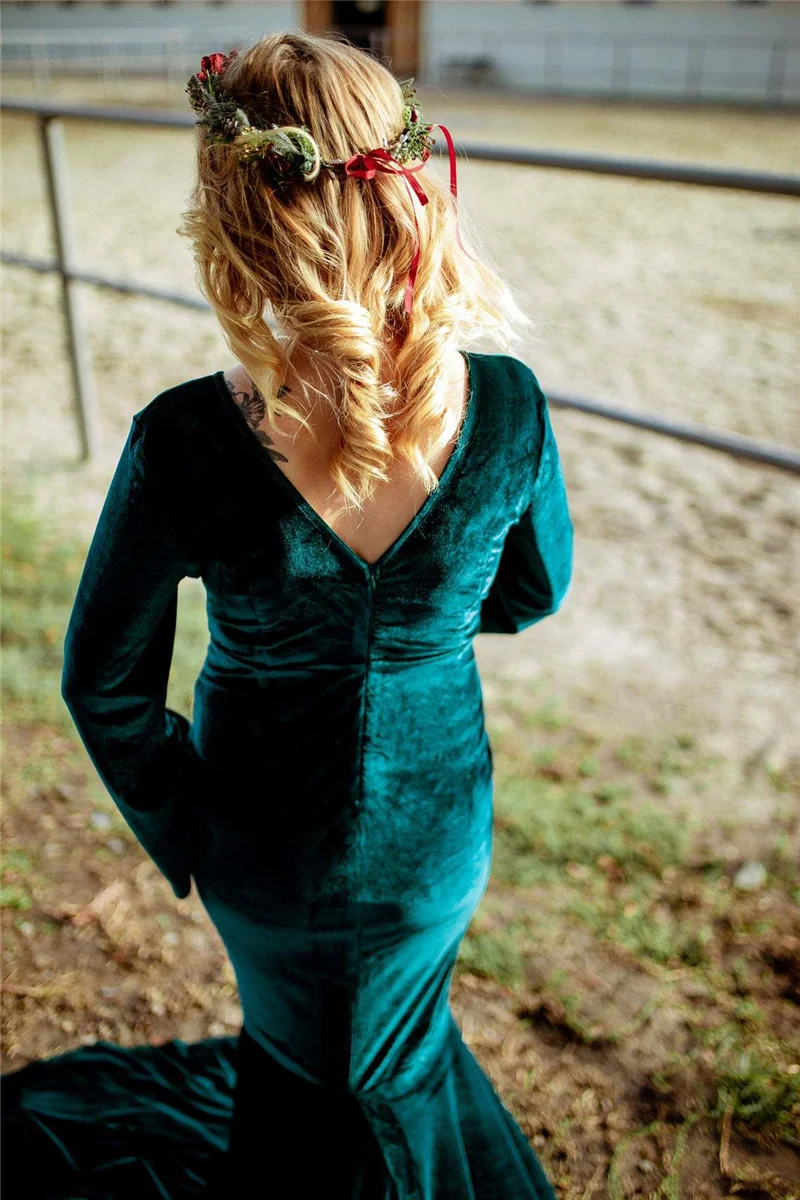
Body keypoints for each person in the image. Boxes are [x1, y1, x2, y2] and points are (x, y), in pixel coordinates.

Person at [2, 31, 573, 1200]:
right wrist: (412, 632)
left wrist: (187, 819)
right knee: (389, 1054)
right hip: (436, 834)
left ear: (235, 222)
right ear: (408, 189)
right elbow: (531, 591)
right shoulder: (508, 408)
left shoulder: (186, 440)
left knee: (304, 1070)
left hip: (258, 841)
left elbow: (102, 683)